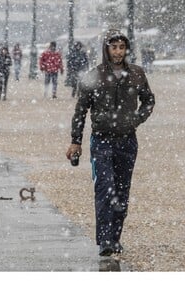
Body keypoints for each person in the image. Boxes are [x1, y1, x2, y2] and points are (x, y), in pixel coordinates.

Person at [65, 29, 155, 256]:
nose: (118, 52)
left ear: (126, 49)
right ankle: (105, 239)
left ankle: (115, 237)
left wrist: (136, 119)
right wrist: (76, 141)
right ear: (106, 49)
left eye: (121, 47)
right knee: (105, 189)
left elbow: (149, 101)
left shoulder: (136, 74)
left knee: (122, 192)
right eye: (113, 47)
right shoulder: (93, 76)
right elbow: (80, 111)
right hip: (101, 141)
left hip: (127, 140)